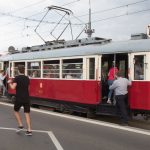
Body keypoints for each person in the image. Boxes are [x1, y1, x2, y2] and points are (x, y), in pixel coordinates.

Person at [7, 65, 32, 136]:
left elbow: (13, 87)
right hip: (26, 98)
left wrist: (9, 83)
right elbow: (28, 89)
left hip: (19, 98)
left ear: (18, 70)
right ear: (24, 70)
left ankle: (20, 125)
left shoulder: (17, 78)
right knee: (27, 114)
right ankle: (29, 130)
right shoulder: (27, 78)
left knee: (16, 111)